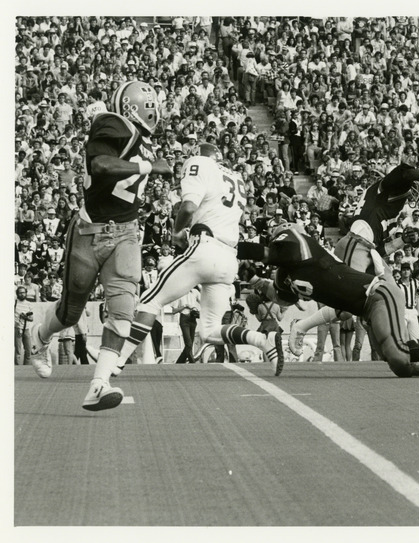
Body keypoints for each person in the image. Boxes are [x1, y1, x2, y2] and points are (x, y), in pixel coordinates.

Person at [28, 80, 173, 411]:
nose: (156, 110)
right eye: (151, 104)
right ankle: (39, 338)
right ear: (135, 106)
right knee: (70, 311)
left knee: (122, 313)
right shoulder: (113, 123)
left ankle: (99, 384)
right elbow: (101, 166)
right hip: (89, 232)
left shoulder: (142, 139)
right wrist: (150, 166)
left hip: (127, 234)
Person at [112, 143, 283, 390]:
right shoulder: (235, 176)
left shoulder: (200, 164)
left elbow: (189, 206)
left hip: (206, 247)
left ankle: (117, 361)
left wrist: (176, 231)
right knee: (210, 330)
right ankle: (263, 341)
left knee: (149, 300)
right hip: (228, 258)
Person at [249, 224, 419, 377]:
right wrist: (257, 282)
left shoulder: (303, 246)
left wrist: (247, 251)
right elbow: (280, 298)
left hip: (376, 295)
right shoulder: (287, 274)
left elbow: (288, 241)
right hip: (365, 308)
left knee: (399, 351)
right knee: (401, 365)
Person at [288, 163, 419, 357]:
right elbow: (407, 172)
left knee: (396, 296)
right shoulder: (384, 188)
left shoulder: (389, 206)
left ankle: (411, 349)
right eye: (417, 182)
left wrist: (402, 240)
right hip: (355, 244)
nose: (417, 188)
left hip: (369, 250)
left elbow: (380, 249)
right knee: (346, 309)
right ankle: (301, 326)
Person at [15, 285, 34, 366]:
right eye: (20, 293)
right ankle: (17, 369)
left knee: (28, 350)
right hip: (17, 328)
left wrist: (25, 317)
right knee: (18, 351)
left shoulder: (29, 304)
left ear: (26, 293)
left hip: (26, 329)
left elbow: (32, 318)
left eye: (23, 292)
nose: (22, 294)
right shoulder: (14, 303)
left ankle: (26, 368)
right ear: (17, 294)